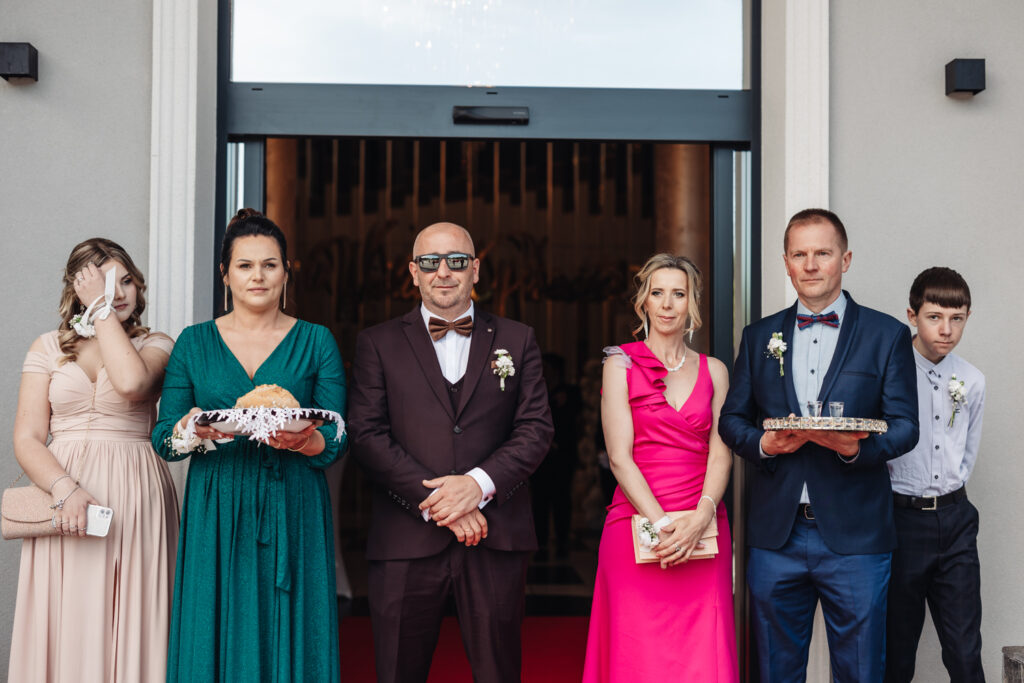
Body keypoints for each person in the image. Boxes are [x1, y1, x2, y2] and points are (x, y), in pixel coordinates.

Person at [719, 208, 919, 682]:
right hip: (776, 535)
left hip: (858, 538)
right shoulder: (759, 336)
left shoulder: (886, 334)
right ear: (786, 263)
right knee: (775, 670)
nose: (810, 265)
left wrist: (855, 450)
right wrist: (765, 444)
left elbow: (906, 427)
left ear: (845, 260)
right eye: (799, 254)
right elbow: (731, 420)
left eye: (822, 253)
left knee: (861, 671)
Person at [348, 221, 553, 683]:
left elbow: (536, 428)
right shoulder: (377, 343)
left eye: (457, 261)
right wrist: (440, 502)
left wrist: (477, 486)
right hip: (405, 537)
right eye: (430, 262)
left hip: (494, 535)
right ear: (413, 272)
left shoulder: (518, 338)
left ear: (475, 270)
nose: (444, 272)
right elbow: (366, 434)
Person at [151, 209, 346, 681]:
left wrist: (305, 441)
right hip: (216, 504)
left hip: (294, 501)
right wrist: (192, 430)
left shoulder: (317, 341)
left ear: (286, 272)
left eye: (269, 264)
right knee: (213, 626)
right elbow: (164, 439)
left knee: (295, 628)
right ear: (225, 274)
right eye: (245, 265)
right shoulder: (193, 343)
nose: (258, 276)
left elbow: (338, 435)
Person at [9, 238, 179, 682]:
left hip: (135, 494)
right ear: (77, 289)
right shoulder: (47, 347)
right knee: (67, 617)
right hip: (61, 495)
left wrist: (100, 309)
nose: (118, 293)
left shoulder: (156, 344)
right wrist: (65, 490)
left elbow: (130, 384)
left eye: (126, 281)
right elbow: (27, 437)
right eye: (104, 284)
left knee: (133, 616)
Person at [583, 253, 737, 682]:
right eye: (658, 293)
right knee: (636, 653)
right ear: (644, 302)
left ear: (692, 303)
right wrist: (664, 526)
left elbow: (721, 453)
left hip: (703, 525)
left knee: (702, 654)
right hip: (637, 522)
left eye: (679, 294)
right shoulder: (619, 364)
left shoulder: (716, 371)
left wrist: (701, 517)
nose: (667, 304)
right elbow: (619, 457)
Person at [885, 267, 985, 683]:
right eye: (934, 317)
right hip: (900, 521)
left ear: (967, 318)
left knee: (964, 651)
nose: (946, 329)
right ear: (912, 315)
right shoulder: (890, 372)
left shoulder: (972, 379)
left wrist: (949, 494)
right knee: (896, 651)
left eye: (956, 318)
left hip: (955, 520)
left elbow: (968, 450)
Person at [531, 352, 581, 560]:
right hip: (540, 454)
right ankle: (540, 540)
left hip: (563, 454)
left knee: (562, 498)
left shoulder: (571, 392)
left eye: (547, 367)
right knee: (539, 498)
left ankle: (562, 539)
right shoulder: (537, 390)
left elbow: (575, 419)